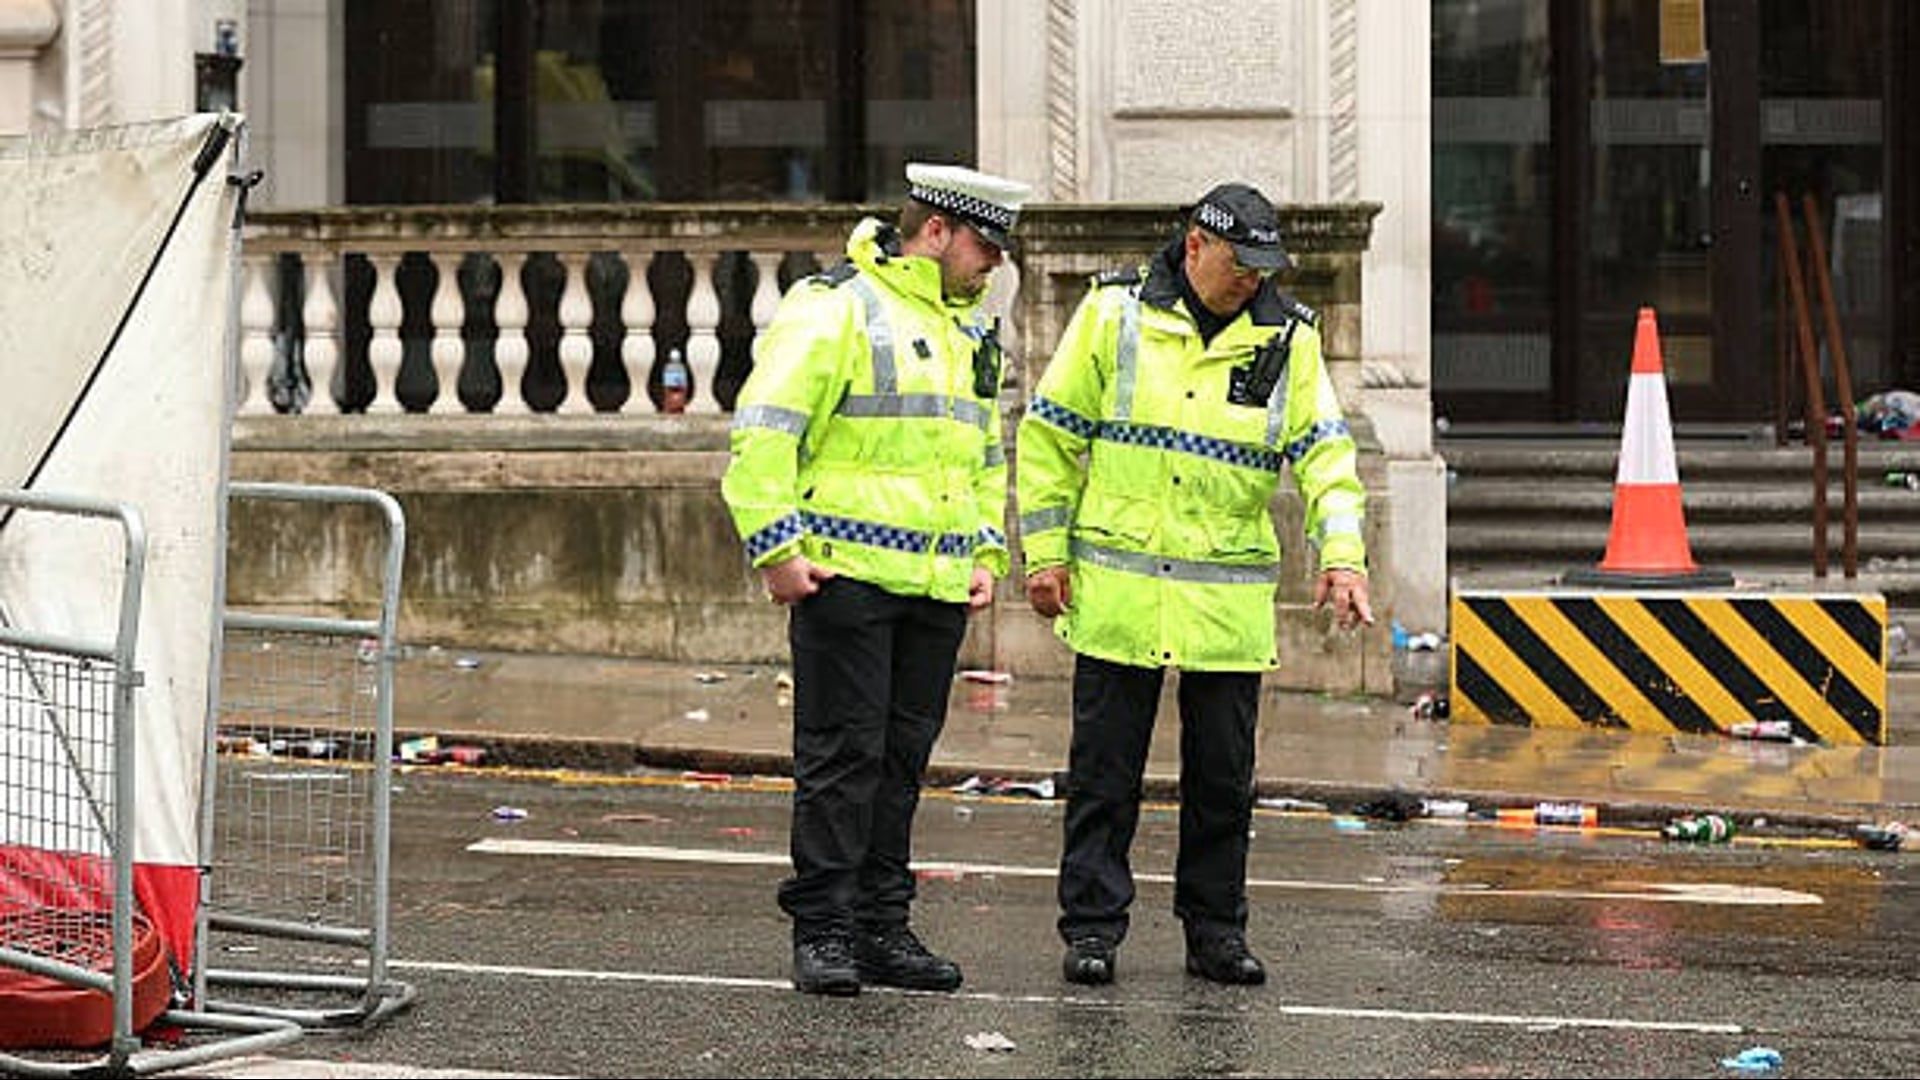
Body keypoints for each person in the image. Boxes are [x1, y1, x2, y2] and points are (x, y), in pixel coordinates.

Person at [1015, 181, 1372, 987]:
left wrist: (1342, 554)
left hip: (1223, 600)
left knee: (1222, 783)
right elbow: (1049, 438)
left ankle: (1215, 931)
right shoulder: (1114, 314)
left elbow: (1327, 456)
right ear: (1196, 245)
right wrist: (1044, 554)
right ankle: (1093, 930)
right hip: (1119, 587)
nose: (1253, 281)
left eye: (1263, 269)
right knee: (1104, 777)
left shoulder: (1288, 336)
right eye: (1240, 265)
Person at [721, 162, 1032, 996]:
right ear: (936, 232)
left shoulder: (972, 332)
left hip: (933, 586)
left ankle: (880, 928)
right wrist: (777, 550)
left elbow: (981, 455)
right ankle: (823, 930)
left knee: (899, 764)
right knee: (840, 759)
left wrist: (983, 555)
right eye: (984, 246)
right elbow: (763, 435)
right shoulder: (837, 306)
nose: (994, 264)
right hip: (846, 579)